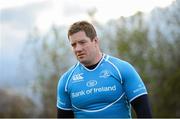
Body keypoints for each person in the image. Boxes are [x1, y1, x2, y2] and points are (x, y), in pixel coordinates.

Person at [56, 21, 152, 118]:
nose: (78, 49)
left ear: (95, 41)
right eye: (73, 45)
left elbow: (144, 113)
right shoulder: (66, 81)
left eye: (82, 42)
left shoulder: (122, 69)